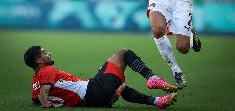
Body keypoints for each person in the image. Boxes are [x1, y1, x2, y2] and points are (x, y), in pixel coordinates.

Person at [24, 46, 177, 109]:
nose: (48, 53)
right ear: (39, 61)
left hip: (91, 101)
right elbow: (44, 93)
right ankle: (152, 77)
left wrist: (48, 103)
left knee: (121, 87)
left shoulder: (35, 81)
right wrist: (46, 105)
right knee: (124, 53)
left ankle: (157, 102)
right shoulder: (48, 70)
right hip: (93, 90)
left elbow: (35, 99)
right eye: (44, 52)